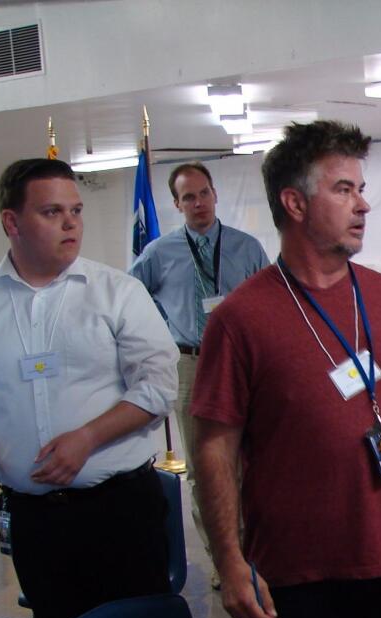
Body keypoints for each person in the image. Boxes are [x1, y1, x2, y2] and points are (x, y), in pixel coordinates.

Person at [190, 120, 381, 618]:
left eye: (361, 189)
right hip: (300, 576)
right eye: (343, 189)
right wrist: (229, 560)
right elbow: (215, 448)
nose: (363, 205)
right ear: (294, 204)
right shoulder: (239, 320)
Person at [0, 158, 178, 618]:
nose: (71, 223)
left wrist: (88, 437)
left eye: (75, 210)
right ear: (12, 222)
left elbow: (158, 386)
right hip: (36, 522)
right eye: (52, 212)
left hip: (119, 510)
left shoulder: (118, 292)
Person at [129, 161, 269, 585]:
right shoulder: (159, 253)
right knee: (206, 465)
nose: (198, 203)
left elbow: (270, 302)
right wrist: (159, 329)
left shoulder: (247, 247)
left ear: (215, 194)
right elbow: (130, 298)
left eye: (203, 193)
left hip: (243, 365)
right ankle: (225, 560)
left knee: (251, 462)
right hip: (191, 364)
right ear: (176, 204)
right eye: (188, 197)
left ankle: (255, 553)